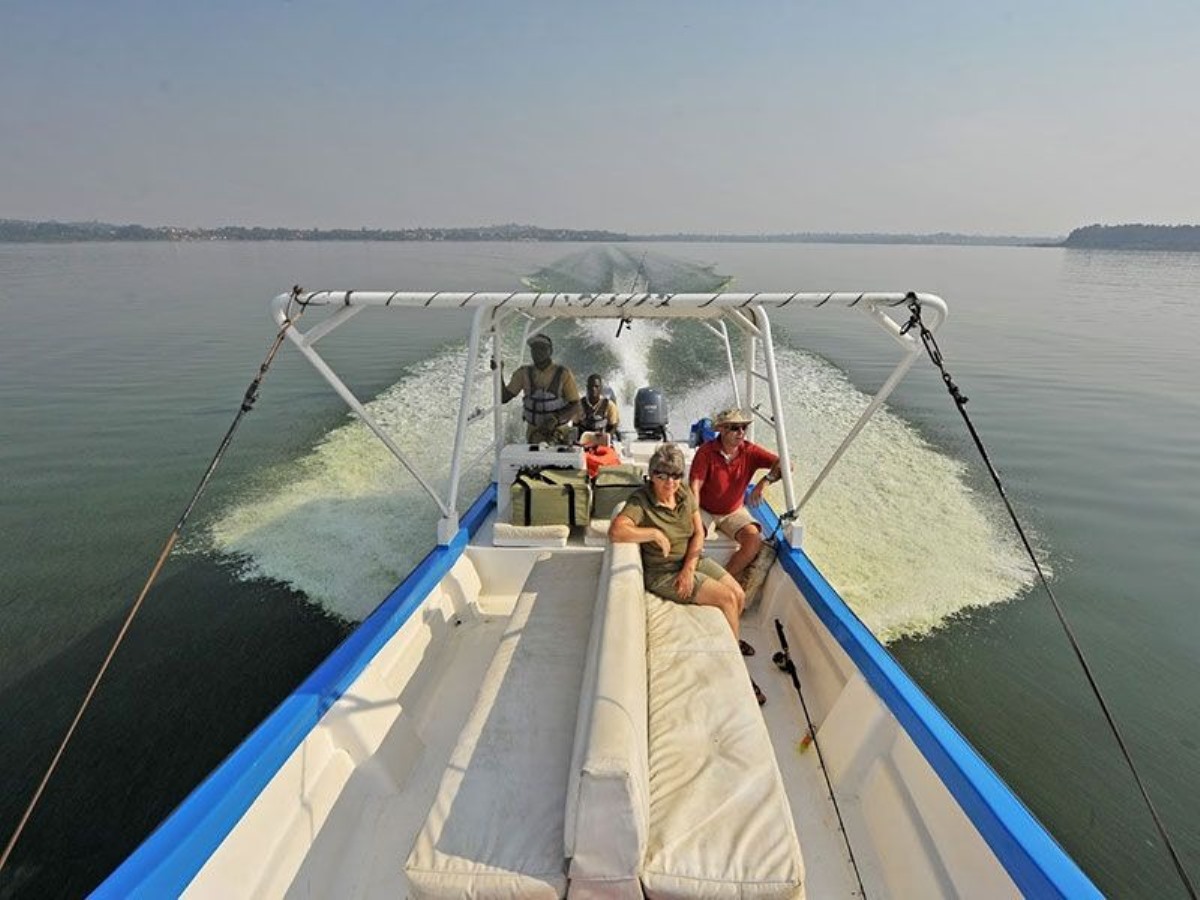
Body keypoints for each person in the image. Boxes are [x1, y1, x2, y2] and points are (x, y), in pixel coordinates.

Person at [609, 443, 764, 705]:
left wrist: (690, 567)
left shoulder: (682, 493)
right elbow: (617, 531)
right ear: (652, 475)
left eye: (676, 475)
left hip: (690, 559)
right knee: (727, 600)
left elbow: (699, 533)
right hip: (665, 572)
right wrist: (654, 533)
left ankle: (732, 644)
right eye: (663, 475)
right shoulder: (641, 501)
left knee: (737, 593)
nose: (670, 482)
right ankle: (739, 672)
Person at [688, 408, 782, 585]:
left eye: (743, 428)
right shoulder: (706, 452)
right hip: (704, 509)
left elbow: (786, 464)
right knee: (693, 534)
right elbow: (695, 487)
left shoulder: (750, 451)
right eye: (735, 428)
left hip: (733, 511)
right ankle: (691, 575)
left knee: (754, 539)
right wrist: (695, 519)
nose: (741, 432)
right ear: (722, 430)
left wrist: (765, 481)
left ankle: (722, 580)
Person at [501, 333, 582, 444]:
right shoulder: (523, 373)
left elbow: (576, 405)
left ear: (550, 351)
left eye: (542, 348)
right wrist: (498, 373)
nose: (537, 352)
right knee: (536, 459)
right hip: (534, 432)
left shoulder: (563, 373)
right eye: (534, 348)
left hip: (559, 431)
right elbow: (504, 398)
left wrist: (556, 419)